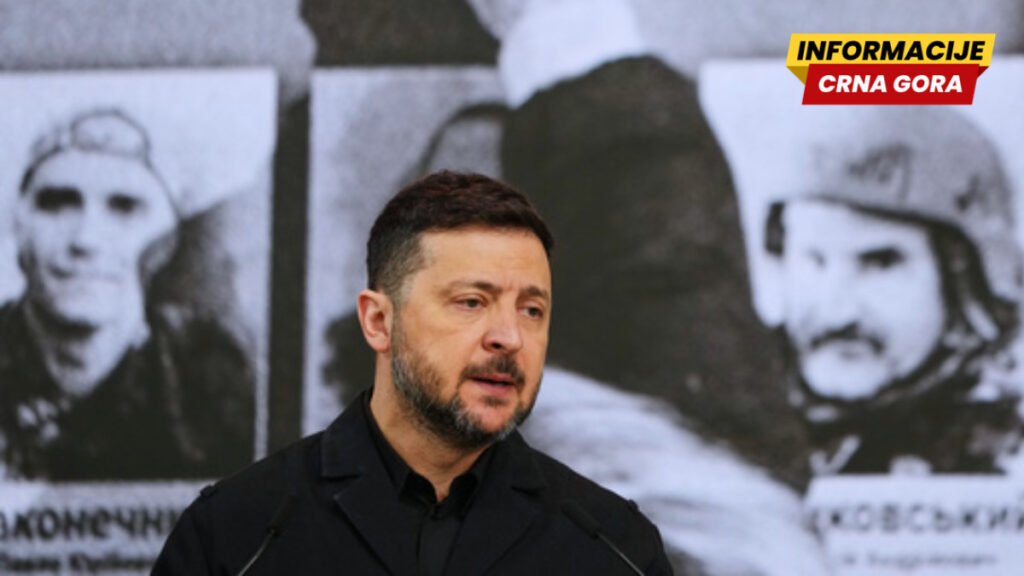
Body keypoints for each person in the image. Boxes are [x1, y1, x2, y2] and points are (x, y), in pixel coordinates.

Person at [153, 171, 673, 575]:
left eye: (531, 310)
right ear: (379, 322)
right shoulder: (238, 535)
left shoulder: (615, 547)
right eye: (472, 302)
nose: (510, 337)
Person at [717, 103, 1024, 475]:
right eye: (814, 260)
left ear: (964, 290)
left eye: (880, 263)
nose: (836, 309)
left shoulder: (1007, 461)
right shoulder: (719, 428)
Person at [0, 108, 255, 480]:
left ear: (166, 240)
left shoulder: (212, 380)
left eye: (124, 208)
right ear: (17, 226)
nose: (85, 239)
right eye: (57, 204)